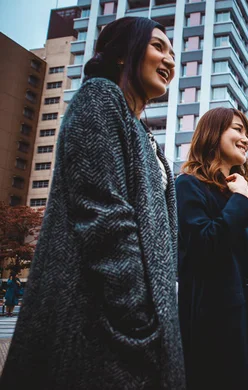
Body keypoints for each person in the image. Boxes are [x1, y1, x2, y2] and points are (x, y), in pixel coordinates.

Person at [0, 17, 185, 388]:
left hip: (130, 321)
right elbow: (103, 216)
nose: (170, 60)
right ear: (122, 55)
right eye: (157, 47)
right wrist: (138, 314)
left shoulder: (145, 135)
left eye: (173, 53)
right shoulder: (99, 98)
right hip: (96, 321)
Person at [176, 107, 248, 389]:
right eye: (237, 129)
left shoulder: (241, 193)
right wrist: (240, 200)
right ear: (212, 134)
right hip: (221, 328)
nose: (245, 138)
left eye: (247, 132)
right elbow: (204, 247)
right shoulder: (189, 186)